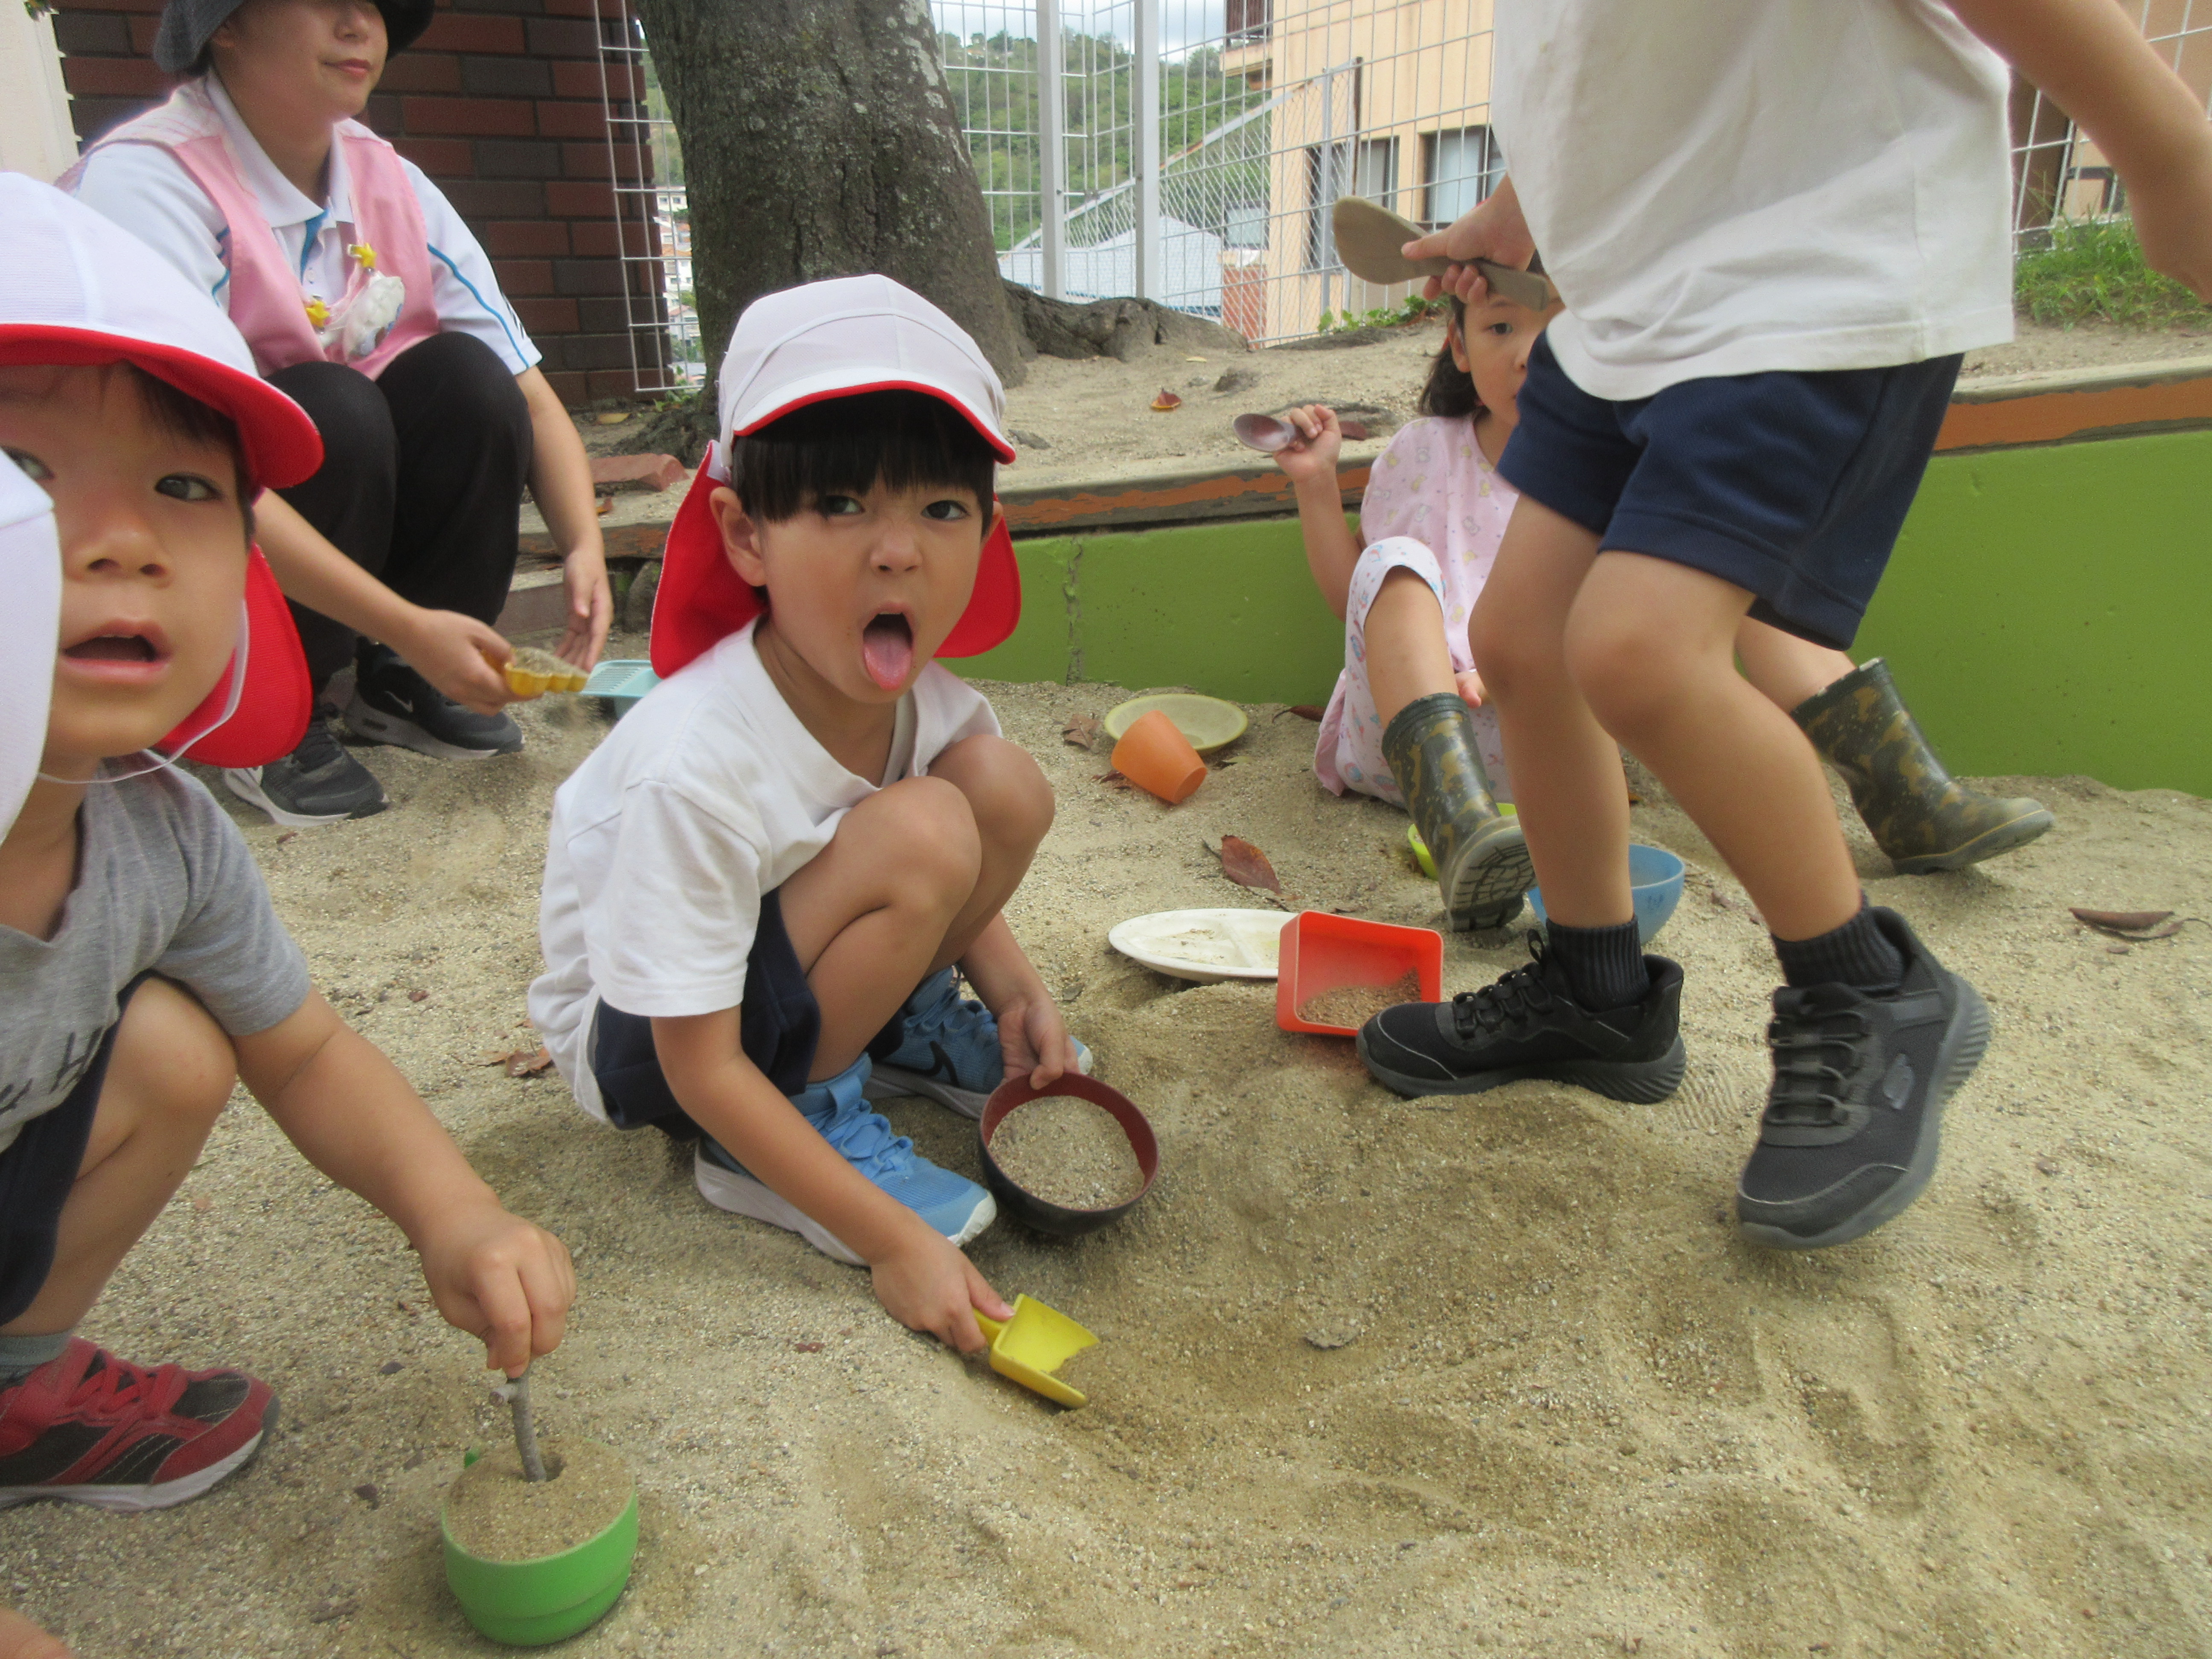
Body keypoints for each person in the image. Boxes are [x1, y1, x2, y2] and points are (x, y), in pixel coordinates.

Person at [1356, 0, 2212, 1251]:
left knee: (1639, 651)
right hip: (1634, 304)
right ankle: (1598, 989)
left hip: (1813, 267)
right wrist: (1515, 213)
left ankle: (1869, 986)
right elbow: (1613, 57)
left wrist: (2166, 150)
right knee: (1526, 638)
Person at [0, 182, 573, 1640]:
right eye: (25, 469)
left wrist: (453, 1209)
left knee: (183, 1046)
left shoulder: (158, 829)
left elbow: (305, 1052)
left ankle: (15, 1389)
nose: (124, 541)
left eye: (184, 490)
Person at [531, 276, 1082, 1353]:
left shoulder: (930, 703)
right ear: (745, 535)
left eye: (941, 510)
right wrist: (888, 1241)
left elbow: (955, 848)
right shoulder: (693, 765)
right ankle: (779, 1132)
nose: (898, 551)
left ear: (988, 533)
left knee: (998, 787)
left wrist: (1018, 992)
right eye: (840, 505)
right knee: (927, 830)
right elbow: (693, 1064)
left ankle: (894, 1025)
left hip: (770, 957)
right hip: (652, 1038)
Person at [1272, 293, 2052, 934]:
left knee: (1711, 559)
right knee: (1395, 561)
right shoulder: (1426, 450)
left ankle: (1905, 793)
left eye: (1561, 327)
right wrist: (1317, 485)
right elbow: (1365, 601)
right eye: (1501, 326)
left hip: (1550, 751)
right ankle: (1461, 832)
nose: (1530, 355)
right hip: (1415, 747)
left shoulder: (1620, 463)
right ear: (1460, 345)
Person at [65, 0, 612, 828]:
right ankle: (266, 708)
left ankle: (402, 684)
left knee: (468, 382)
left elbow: (526, 391)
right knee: (330, 413)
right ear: (226, 24)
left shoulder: (388, 181)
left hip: (290, 489)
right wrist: (409, 622)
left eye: (377, 5)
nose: (361, 25)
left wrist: (584, 549)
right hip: (153, 502)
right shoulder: (148, 184)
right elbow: (181, 466)